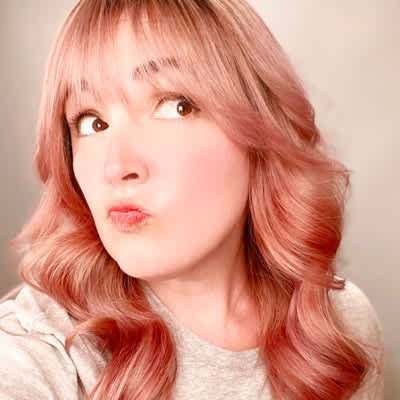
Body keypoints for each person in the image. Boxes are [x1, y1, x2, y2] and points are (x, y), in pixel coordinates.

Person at [0, 0, 384, 399]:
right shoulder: (39, 347)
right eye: (92, 122)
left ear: (260, 127)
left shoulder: (337, 326)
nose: (117, 167)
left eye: (175, 107)